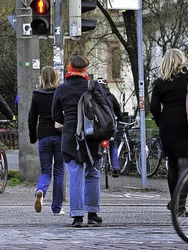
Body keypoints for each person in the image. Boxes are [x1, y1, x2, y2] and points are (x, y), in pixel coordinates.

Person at [149, 48, 188, 218]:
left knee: (172, 164)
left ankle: (174, 201)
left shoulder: (160, 82)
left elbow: (153, 107)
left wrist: (161, 122)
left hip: (168, 125)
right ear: (182, 60)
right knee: (185, 165)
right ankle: (180, 205)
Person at [52, 54, 108, 227]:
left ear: (69, 68)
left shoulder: (62, 89)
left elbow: (55, 115)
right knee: (92, 174)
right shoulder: (93, 86)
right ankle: (92, 215)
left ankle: (77, 216)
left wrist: (69, 119)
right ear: (85, 69)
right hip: (92, 137)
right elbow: (107, 108)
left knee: (75, 175)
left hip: (70, 137)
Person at [28, 66, 65, 215]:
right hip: (59, 135)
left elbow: (31, 119)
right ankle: (57, 207)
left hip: (43, 136)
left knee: (45, 171)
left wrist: (33, 137)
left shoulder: (37, 95)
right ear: (56, 77)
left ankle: (41, 191)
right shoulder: (59, 93)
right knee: (59, 172)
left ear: (41, 78)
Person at [97, 78, 122, 177]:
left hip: (98, 125)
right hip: (111, 124)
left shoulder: (94, 97)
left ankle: (96, 165)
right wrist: (120, 118)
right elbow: (118, 110)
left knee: (96, 143)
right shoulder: (111, 96)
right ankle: (115, 167)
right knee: (113, 144)